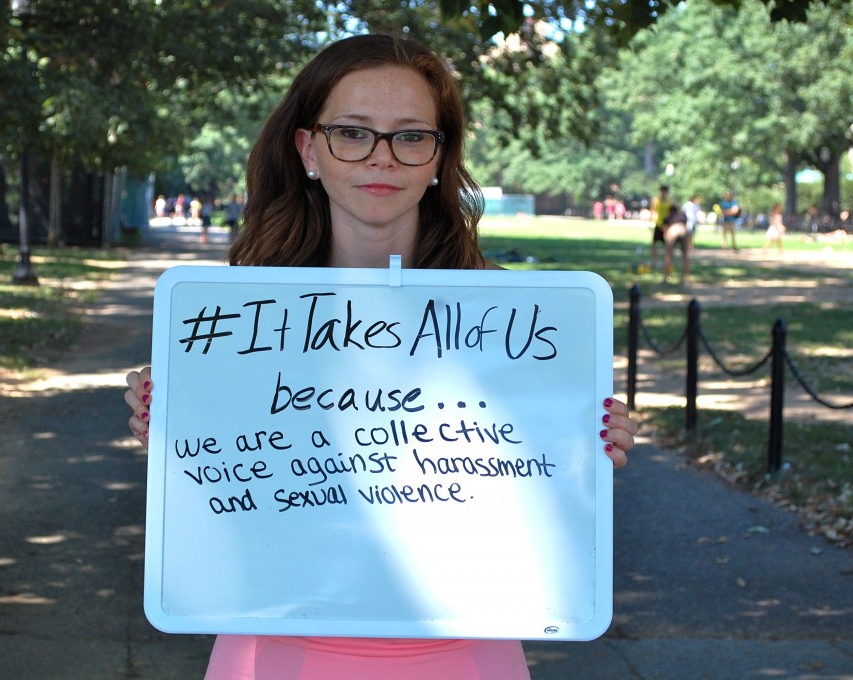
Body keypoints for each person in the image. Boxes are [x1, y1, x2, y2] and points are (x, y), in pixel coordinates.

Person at [124, 33, 637, 680]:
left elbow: (544, 498)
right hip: (274, 650)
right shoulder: (234, 320)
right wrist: (174, 425)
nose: (382, 158)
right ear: (309, 148)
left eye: (411, 136)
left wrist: (590, 446)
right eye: (353, 132)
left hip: (466, 654)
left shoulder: (517, 320)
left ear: (438, 155)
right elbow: (217, 498)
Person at [661, 204, 691, 284]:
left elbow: (665, 230)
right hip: (683, 230)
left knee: (668, 254)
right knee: (685, 255)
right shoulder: (682, 216)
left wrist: (667, 242)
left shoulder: (667, 217)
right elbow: (686, 227)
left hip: (673, 230)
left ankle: (666, 277)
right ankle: (686, 277)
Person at [649, 185, 671, 271]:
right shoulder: (656, 200)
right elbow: (653, 210)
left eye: (664, 191)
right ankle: (655, 261)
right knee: (654, 243)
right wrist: (650, 220)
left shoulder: (670, 202)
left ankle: (666, 262)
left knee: (667, 245)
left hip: (666, 226)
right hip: (658, 224)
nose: (663, 193)